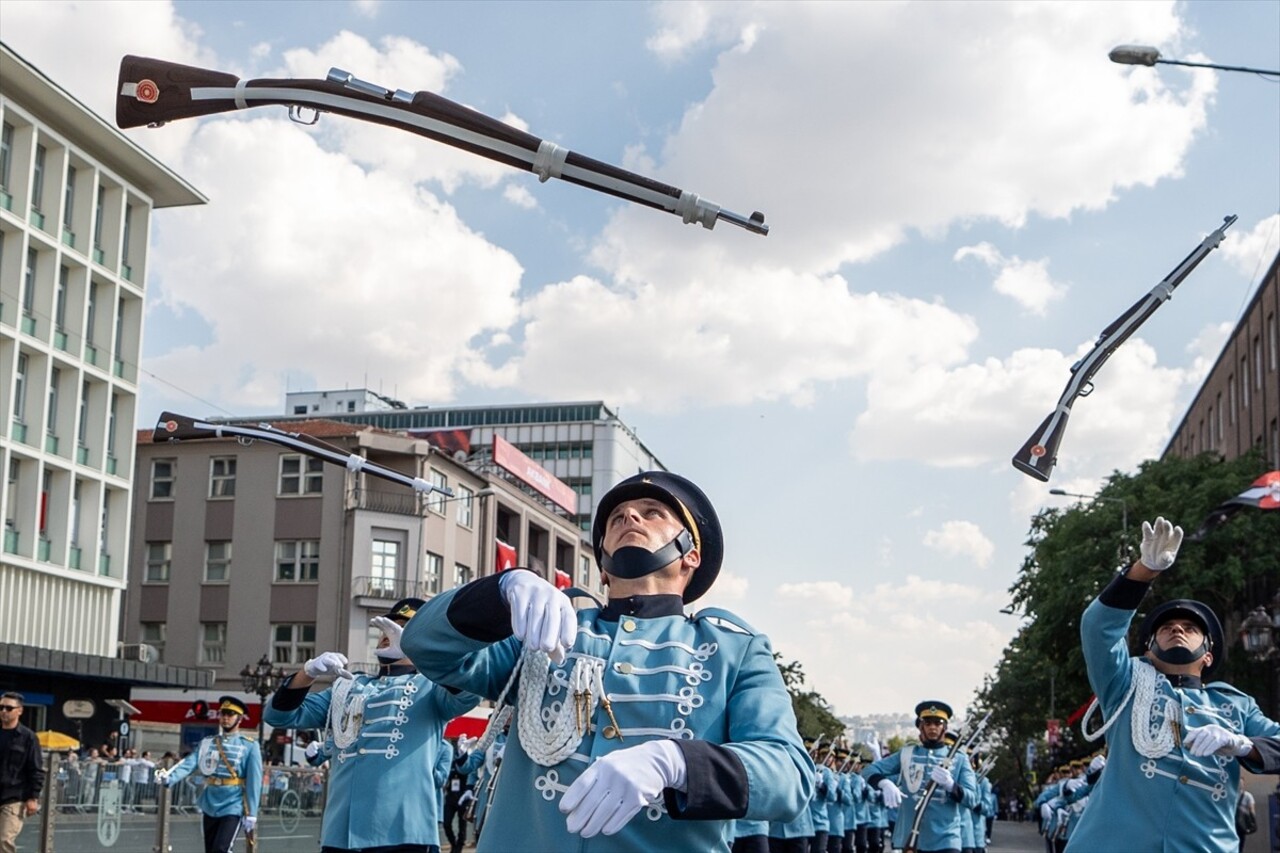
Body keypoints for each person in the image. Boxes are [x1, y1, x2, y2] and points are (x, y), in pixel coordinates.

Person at [402, 470, 814, 852]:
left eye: (653, 513)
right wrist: (499, 592)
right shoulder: (545, 635)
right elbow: (426, 647)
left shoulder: (734, 649)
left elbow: (789, 776)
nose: (630, 515)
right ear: (601, 565)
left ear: (691, 553)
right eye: (616, 516)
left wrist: (676, 762)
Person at [1066, 517, 1280, 852]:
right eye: (1165, 627)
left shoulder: (1236, 706)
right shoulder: (1124, 685)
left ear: (1207, 656)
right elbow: (1097, 627)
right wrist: (1144, 571)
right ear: (1148, 651)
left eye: (1190, 627)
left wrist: (1243, 744)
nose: (1177, 629)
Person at [264, 597, 478, 853]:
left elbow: (468, 694)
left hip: (404, 832)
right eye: (387, 628)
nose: (389, 635)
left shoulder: (431, 687)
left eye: (404, 630)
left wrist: (428, 655)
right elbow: (279, 716)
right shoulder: (346, 687)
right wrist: (307, 672)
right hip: (342, 833)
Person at [862, 700, 977, 853]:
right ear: (920, 726)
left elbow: (972, 799)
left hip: (946, 839)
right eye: (928, 723)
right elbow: (869, 770)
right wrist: (884, 783)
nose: (932, 728)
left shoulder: (959, 758)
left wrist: (951, 786)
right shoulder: (907, 753)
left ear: (945, 727)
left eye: (938, 723)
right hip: (913, 838)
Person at [155, 696, 262, 853]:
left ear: (239, 719)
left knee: (221, 849)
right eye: (223, 714)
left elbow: (254, 781)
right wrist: (170, 777)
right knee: (211, 849)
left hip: (233, 803)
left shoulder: (249, 746)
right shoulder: (209, 742)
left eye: (230, 714)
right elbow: (190, 762)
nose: (225, 718)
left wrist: (252, 813)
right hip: (210, 802)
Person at [0, 692, 44, 853]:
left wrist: (33, 797)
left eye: (9, 708)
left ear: (19, 711)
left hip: (14, 796)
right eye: (1, 707)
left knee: (4, 840)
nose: (4, 711)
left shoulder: (28, 737)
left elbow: (36, 768)